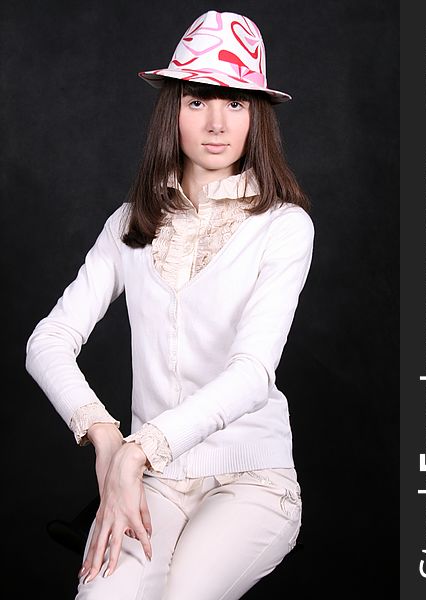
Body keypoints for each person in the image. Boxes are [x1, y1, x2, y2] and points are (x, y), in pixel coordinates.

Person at [25, 9, 315, 600]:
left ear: (256, 115)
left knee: (182, 594)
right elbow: (47, 341)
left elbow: (253, 374)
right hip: (152, 478)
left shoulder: (284, 227)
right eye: (197, 100)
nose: (216, 122)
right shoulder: (132, 222)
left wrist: (140, 448)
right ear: (172, 111)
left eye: (235, 103)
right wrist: (107, 439)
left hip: (252, 478)